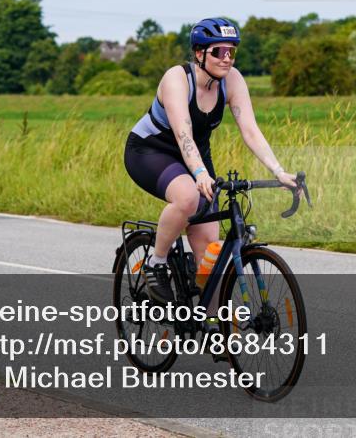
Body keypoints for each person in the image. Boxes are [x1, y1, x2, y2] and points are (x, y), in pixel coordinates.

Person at [123, 17, 298, 304]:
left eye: (232, 51)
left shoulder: (233, 80)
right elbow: (183, 133)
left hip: (196, 157)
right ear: (199, 53)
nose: (227, 58)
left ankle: (214, 330)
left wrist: (279, 171)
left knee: (209, 256)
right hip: (151, 150)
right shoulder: (177, 79)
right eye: (219, 51)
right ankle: (156, 263)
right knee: (188, 197)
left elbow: (251, 131)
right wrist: (200, 174)